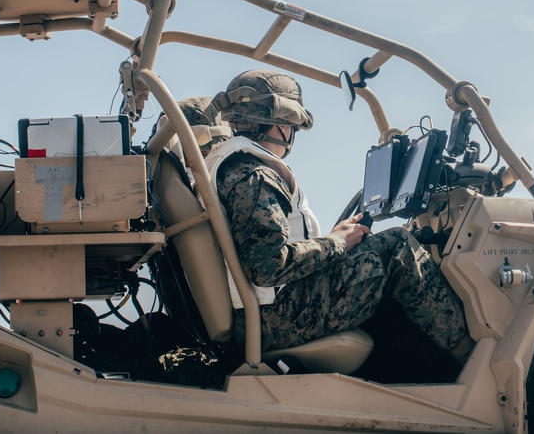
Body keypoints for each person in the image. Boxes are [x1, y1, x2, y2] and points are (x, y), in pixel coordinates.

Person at [201, 69, 474, 363]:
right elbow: (268, 267)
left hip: (266, 313)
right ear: (280, 122)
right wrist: (336, 243)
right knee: (396, 247)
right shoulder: (255, 175)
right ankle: (471, 358)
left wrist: (333, 239)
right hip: (274, 319)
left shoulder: (231, 164)